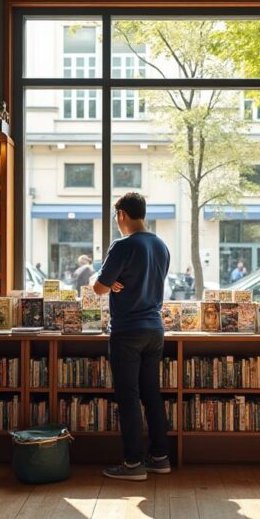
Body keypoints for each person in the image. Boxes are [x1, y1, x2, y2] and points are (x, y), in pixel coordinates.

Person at [93, 192, 171, 480]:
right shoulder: (161, 245)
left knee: (128, 397)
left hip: (127, 331)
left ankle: (133, 464)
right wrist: (114, 282)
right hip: (155, 328)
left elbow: (99, 288)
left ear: (122, 215)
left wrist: (108, 282)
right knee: (152, 394)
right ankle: (160, 457)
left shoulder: (123, 246)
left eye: (116, 215)